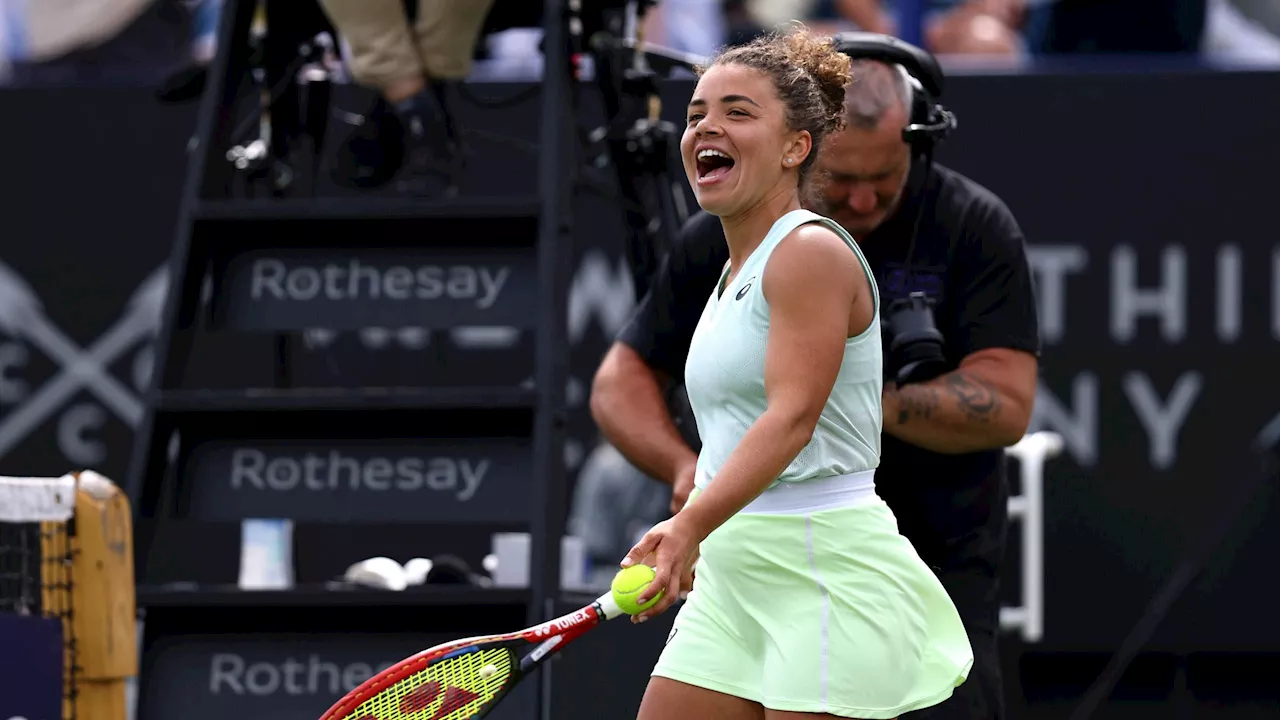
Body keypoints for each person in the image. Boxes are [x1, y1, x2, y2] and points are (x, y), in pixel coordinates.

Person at [591, 41, 1040, 720]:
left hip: (824, 569)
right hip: (735, 573)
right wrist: (694, 488)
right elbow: (631, 387)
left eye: (738, 112)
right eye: (696, 114)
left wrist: (688, 525)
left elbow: (792, 419)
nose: (707, 127)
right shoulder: (725, 263)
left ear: (797, 147)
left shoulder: (809, 250)